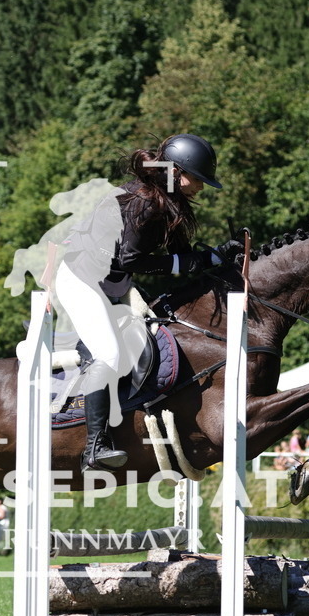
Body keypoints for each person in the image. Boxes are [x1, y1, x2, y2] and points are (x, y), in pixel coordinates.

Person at [52, 133, 235, 474]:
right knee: (108, 354)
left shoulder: (171, 202)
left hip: (110, 282)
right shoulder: (146, 203)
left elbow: (183, 256)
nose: (202, 187)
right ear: (176, 172)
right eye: (197, 179)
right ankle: (94, 447)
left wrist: (218, 256)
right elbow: (132, 260)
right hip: (81, 280)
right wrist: (185, 264)